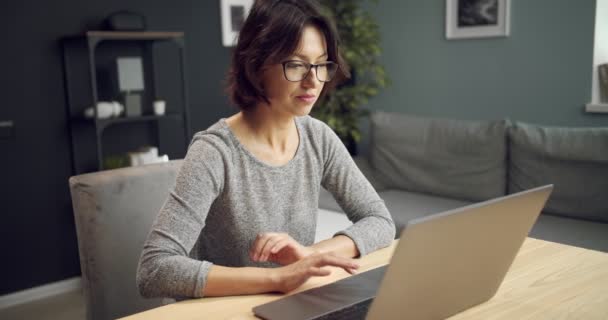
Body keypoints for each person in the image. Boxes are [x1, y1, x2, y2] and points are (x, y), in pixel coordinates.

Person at [136, 0, 395, 299]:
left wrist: (308, 255)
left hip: (289, 304)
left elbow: (379, 221)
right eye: (296, 64)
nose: (313, 81)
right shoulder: (215, 152)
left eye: (321, 64)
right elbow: (154, 269)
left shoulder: (318, 137)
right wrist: (275, 278)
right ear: (257, 65)